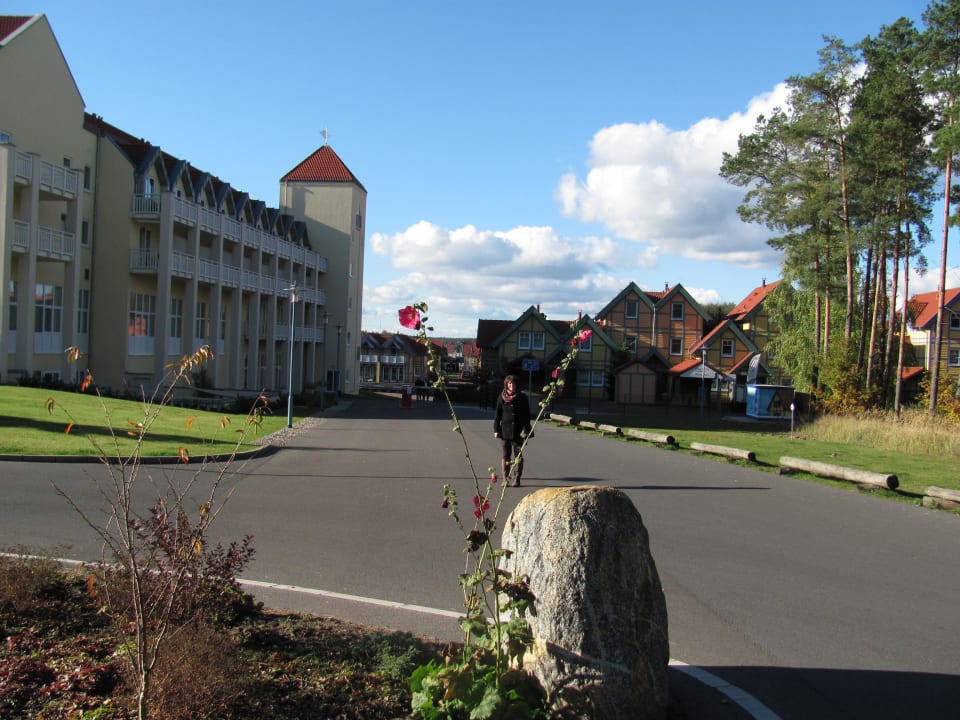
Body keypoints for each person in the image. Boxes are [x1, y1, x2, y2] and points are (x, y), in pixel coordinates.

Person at [494, 375, 532, 486]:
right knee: (506, 455)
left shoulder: (522, 397)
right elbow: (497, 415)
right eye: (509, 384)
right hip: (505, 431)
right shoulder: (501, 397)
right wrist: (496, 429)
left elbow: (527, 415)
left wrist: (526, 428)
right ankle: (505, 478)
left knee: (518, 455)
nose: (512, 386)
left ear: (516, 385)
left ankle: (517, 478)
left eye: (513, 384)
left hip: (518, 431)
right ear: (506, 385)